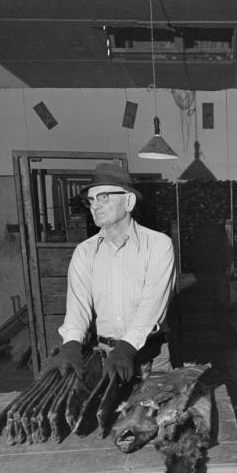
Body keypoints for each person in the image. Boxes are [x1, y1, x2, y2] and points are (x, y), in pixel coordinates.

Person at [40, 161, 176, 382]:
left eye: (103, 197)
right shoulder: (84, 252)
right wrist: (72, 345)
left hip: (150, 355)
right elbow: (78, 308)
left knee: (152, 413)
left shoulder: (158, 245)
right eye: (91, 200)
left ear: (129, 201)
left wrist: (126, 348)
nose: (94, 205)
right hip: (102, 356)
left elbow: (152, 307)